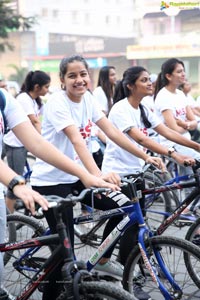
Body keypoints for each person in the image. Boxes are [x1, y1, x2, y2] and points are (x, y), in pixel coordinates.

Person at [30, 55, 167, 296]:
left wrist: (145, 156)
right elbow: (76, 140)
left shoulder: (89, 100)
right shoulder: (57, 103)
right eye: (72, 76)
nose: (79, 80)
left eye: (83, 74)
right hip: (51, 182)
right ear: (62, 80)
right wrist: (97, 176)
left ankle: (101, 259)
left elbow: (112, 132)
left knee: (122, 206)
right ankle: (51, 293)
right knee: (66, 252)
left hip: (77, 175)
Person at [0, 87, 122, 300]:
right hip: (42, 183)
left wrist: (88, 176)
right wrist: (17, 183)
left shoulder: (4, 99)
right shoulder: (57, 102)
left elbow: (37, 143)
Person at [101, 66, 200, 300]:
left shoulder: (145, 107)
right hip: (118, 174)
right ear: (130, 85)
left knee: (128, 223)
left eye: (149, 79)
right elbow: (140, 138)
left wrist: (195, 148)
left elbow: (164, 131)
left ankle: (115, 266)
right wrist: (170, 155)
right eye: (144, 80)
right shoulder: (121, 109)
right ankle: (120, 270)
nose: (149, 83)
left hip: (136, 173)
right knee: (129, 224)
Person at [154, 58, 200, 215]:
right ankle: (188, 209)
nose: (183, 74)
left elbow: (193, 119)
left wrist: (186, 124)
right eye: (179, 71)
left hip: (186, 140)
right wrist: (188, 124)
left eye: (183, 71)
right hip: (171, 143)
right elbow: (172, 129)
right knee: (194, 173)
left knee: (190, 179)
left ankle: (188, 212)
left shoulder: (180, 94)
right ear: (168, 76)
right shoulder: (163, 96)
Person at [3, 70, 50, 213]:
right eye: (46, 87)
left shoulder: (35, 101)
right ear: (37, 87)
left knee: (20, 180)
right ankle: (8, 218)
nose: (48, 90)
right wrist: (44, 140)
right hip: (15, 145)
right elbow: (35, 121)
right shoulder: (23, 98)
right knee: (16, 182)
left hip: (24, 143)